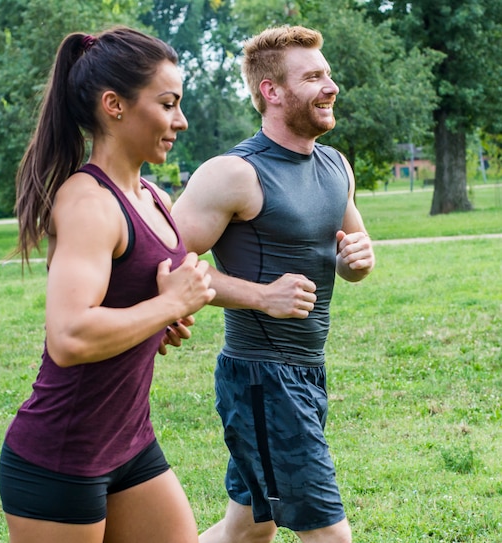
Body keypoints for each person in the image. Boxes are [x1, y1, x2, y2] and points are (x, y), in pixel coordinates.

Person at [0, 26, 215, 543]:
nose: (179, 121)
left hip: (128, 444)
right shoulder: (90, 202)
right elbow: (70, 337)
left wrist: (160, 317)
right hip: (61, 457)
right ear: (114, 105)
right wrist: (165, 307)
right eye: (167, 104)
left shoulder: (152, 197)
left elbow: (136, 298)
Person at [172, 25, 375, 543]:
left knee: (247, 530)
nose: (330, 86)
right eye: (313, 77)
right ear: (272, 92)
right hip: (263, 380)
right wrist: (262, 296)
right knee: (331, 535)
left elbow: (350, 256)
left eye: (327, 73)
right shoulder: (234, 174)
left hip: (307, 372)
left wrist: (356, 259)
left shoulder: (335, 165)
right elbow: (169, 265)